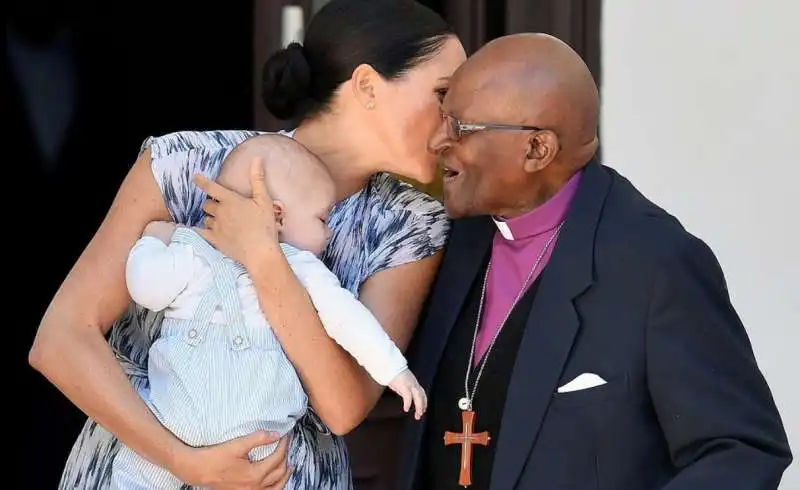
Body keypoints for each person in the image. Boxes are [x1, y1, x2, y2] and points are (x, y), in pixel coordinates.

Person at [28, 0, 466, 489]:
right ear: (366, 86)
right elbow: (61, 340)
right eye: (443, 95)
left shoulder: (410, 223)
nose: (453, 125)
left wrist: (263, 256)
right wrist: (182, 460)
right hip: (137, 471)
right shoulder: (186, 164)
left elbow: (343, 408)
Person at [398, 33, 793, 490]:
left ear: (536, 150)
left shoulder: (655, 263)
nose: (436, 142)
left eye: (460, 128)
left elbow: (742, 450)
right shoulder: (451, 240)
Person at [111, 134, 427, 489]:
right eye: (322, 219)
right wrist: (396, 371)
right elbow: (349, 321)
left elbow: (147, 287)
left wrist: (153, 240)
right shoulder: (282, 265)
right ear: (278, 215)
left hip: (205, 426)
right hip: (230, 433)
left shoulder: (208, 251)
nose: (330, 231)